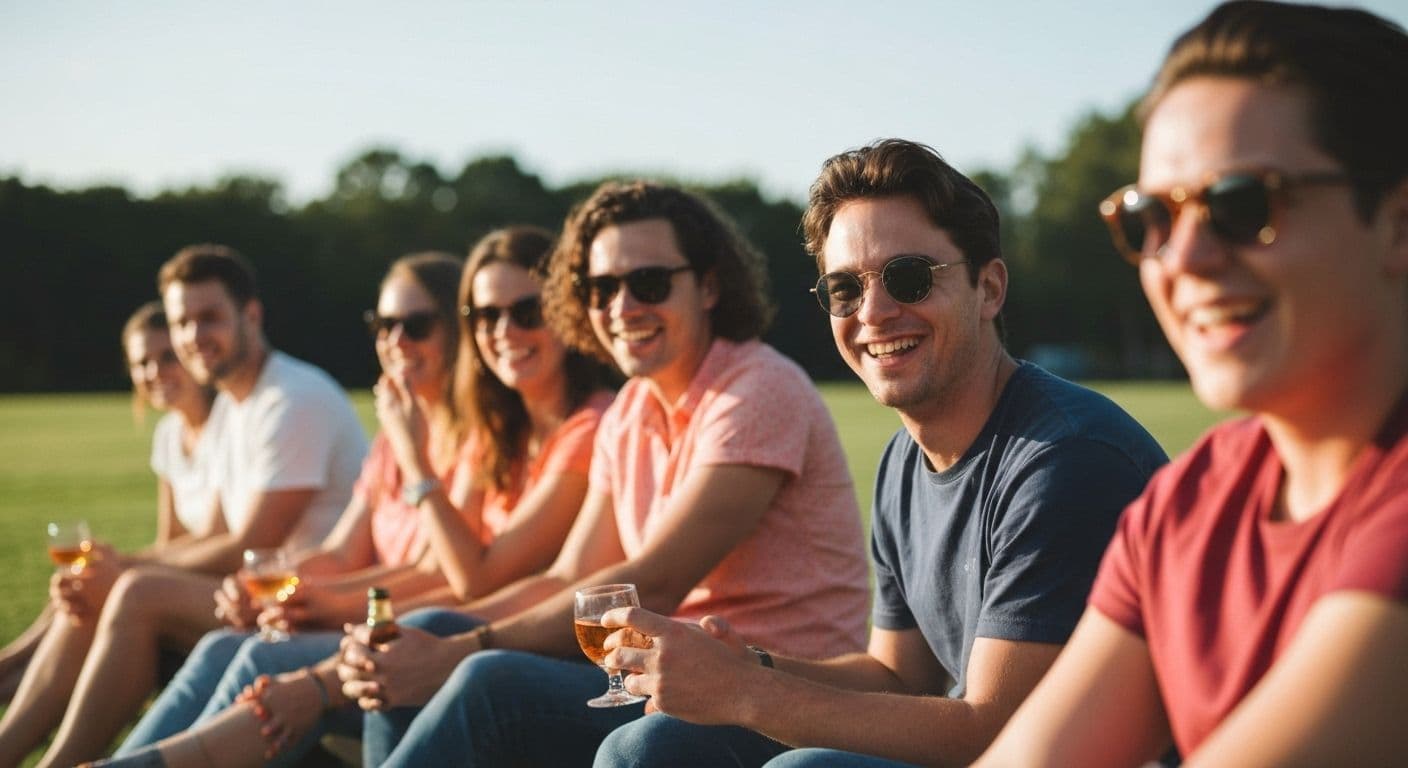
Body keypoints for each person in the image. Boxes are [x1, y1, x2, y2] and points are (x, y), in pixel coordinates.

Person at [593, 139, 1168, 768]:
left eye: (909, 277)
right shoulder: (904, 459)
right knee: (645, 746)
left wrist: (748, 692)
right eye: (844, 289)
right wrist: (746, 666)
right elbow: (899, 675)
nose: (874, 312)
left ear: (990, 288)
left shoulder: (1064, 459)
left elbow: (1000, 733)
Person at [975, 3, 1408, 766]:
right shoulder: (1190, 501)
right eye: (1151, 218)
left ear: (1399, 224)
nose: (1183, 258)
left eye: (1243, 203)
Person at [334, 180, 872, 767]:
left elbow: (654, 581)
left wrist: (466, 649)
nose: (621, 307)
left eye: (649, 283)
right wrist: (440, 643)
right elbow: (572, 576)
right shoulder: (632, 409)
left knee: (487, 683)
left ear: (710, 285)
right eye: (600, 288)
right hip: (661, 676)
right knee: (431, 629)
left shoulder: (757, 390)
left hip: (775, 691)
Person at [95, 228, 618, 768]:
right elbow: (351, 553)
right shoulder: (498, 430)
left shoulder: (533, 430)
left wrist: (332, 603)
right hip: (441, 625)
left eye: (415, 325)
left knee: (291, 655)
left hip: (496, 636)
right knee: (235, 646)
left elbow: (467, 580)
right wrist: (290, 592)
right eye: (384, 325)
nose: (397, 340)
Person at [5, 244, 369, 768]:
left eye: (209, 317)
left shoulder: (293, 398)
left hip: (312, 608)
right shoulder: (235, 408)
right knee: (111, 585)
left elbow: (249, 546)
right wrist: (118, 567)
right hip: (255, 602)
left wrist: (125, 568)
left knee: (137, 591)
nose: (194, 336)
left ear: (251, 315)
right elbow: (210, 538)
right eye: (182, 322)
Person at [0, 302, 218, 707]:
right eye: (142, 363)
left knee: (102, 580)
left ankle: (13, 673)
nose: (154, 373)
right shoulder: (170, 435)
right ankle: (15, 665)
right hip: (183, 575)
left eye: (167, 357)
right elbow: (168, 540)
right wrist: (118, 561)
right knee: (90, 574)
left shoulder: (227, 428)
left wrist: (125, 566)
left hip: (216, 586)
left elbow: (222, 540)